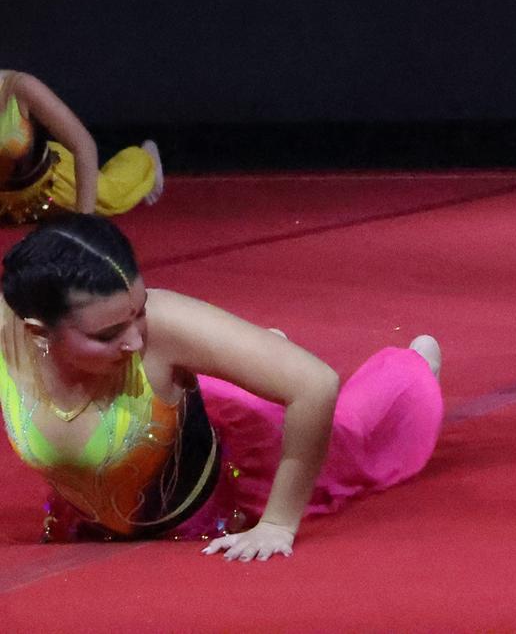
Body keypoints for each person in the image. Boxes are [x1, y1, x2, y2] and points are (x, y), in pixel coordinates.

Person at [0, 215, 442, 556]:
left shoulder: (163, 326)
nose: (135, 339)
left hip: (222, 475)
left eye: (140, 310)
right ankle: (248, 355)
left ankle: (412, 370)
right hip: (153, 437)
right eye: (107, 334)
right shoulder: (10, 335)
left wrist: (278, 524)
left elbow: (316, 384)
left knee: (351, 436)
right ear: (38, 332)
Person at [1, 69, 162, 224]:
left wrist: (84, 223)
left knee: (112, 196)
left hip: (51, 184)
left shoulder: (21, 87)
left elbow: (84, 145)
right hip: (5, 202)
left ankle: (145, 157)